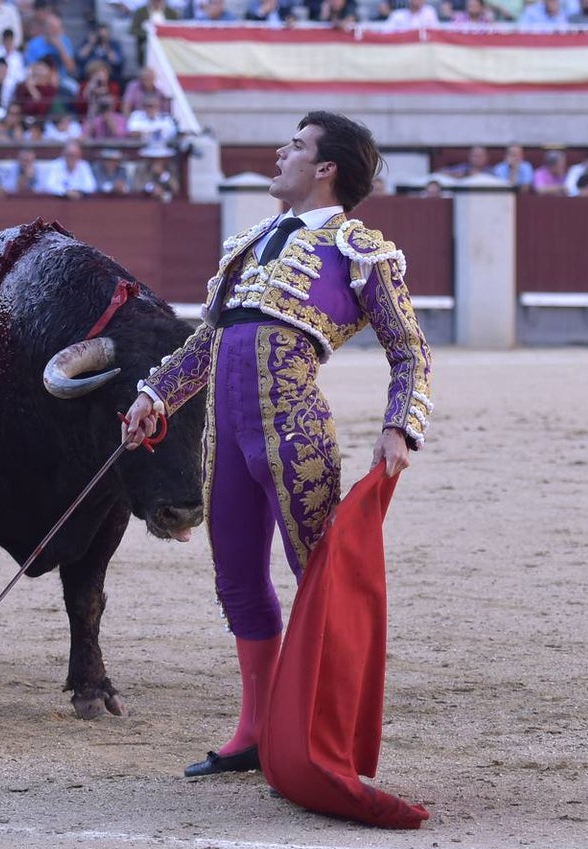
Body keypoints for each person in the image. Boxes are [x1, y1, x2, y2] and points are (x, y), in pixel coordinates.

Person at [121, 111, 432, 778]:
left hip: (293, 433)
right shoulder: (252, 242)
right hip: (226, 437)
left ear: (325, 169)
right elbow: (208, 342)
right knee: (235, 576)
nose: (280, 153)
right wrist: (155, 395)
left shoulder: (360, 249)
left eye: (295, 146)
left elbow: (409, 351)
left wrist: (399, 425)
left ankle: (326, 735)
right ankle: (255, 731)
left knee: (319, 581)